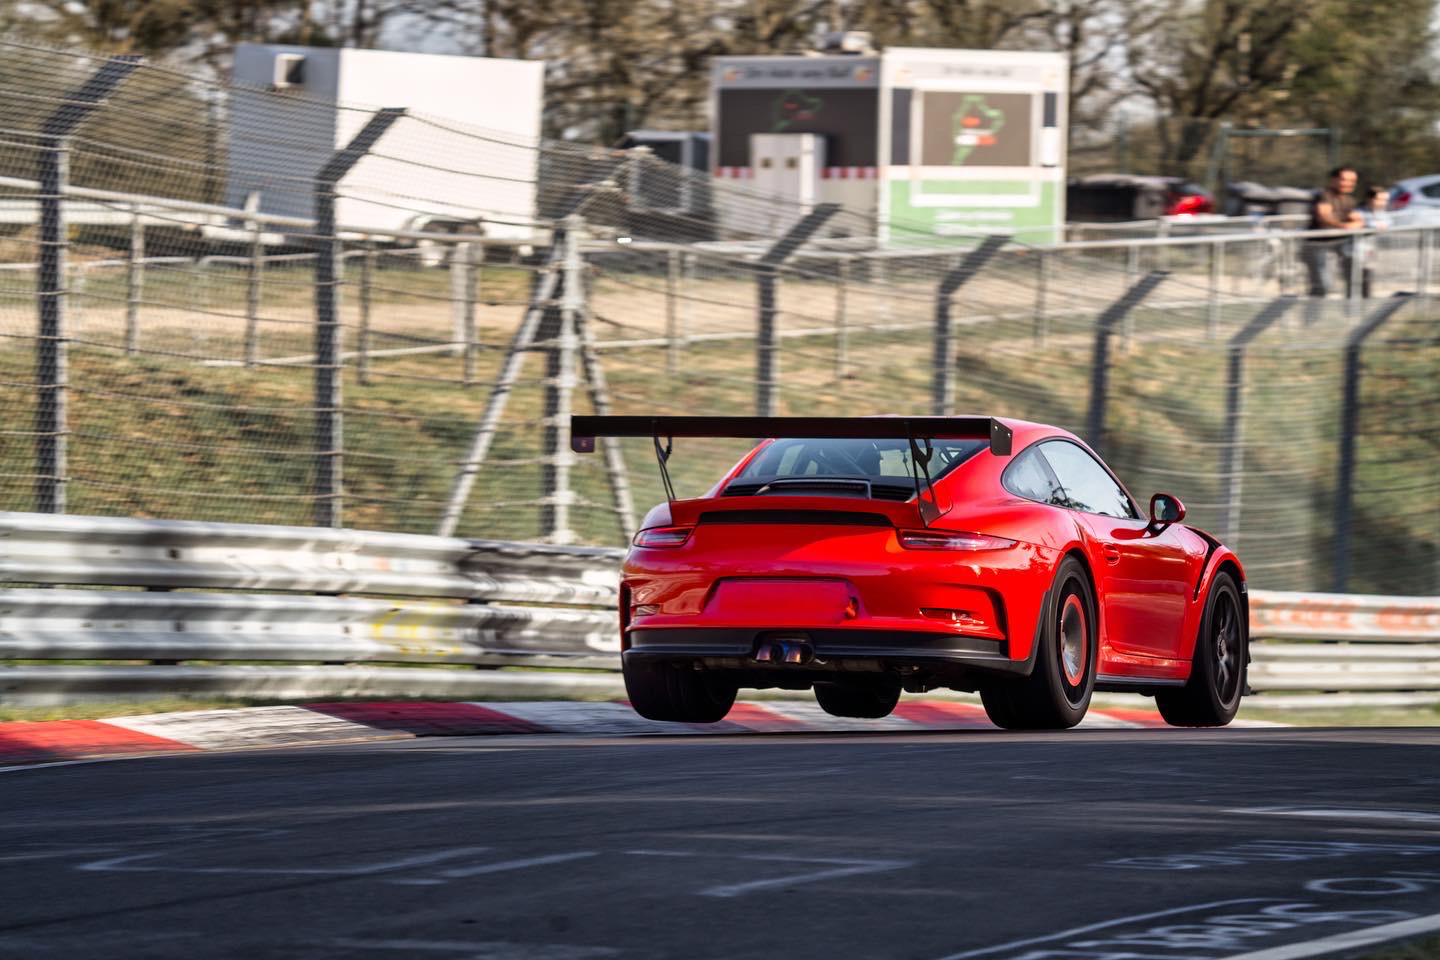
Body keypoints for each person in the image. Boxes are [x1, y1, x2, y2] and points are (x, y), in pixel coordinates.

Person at [1303, 165, 1365, 300]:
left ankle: (1352, 311)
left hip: (1339, 242)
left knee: (1355, 274)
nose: (1348, 184)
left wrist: (1355, 224)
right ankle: (1311, 317)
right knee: (1322, 284)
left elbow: (1357, 220)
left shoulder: (1349, 200)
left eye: (1352, 181)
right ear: (1334, 180)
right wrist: (1344, 226)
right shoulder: (1323, 195)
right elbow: (1324, 216)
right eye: (1344, 179)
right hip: (1317, 244)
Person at [1356, 185, 1391, 299]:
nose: (1383, 203)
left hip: (1370, 250)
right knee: (1355, 279)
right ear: (1370, 199)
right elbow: (1361, 223)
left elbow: (1389, 222)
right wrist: (1372, 225)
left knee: (1368, 278)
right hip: (1356, 250)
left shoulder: (1382, 213)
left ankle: (1365, 301)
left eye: (1385, 200)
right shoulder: (1359, 211)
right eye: (1380, 199)